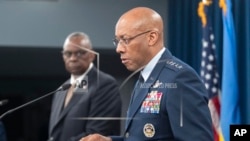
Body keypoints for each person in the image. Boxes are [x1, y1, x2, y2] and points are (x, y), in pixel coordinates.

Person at [80, 7, 213, 141]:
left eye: (125, 39)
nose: (118, 49)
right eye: (117, 41)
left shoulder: (179, 79)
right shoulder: (145, 77)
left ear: (151, 37)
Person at [48, 32, 122, 141]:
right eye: (68, 53)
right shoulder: (61, 89)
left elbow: (95, 134)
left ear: (91, 55)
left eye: (79, 53)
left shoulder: (104, 84)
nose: (73, 58)